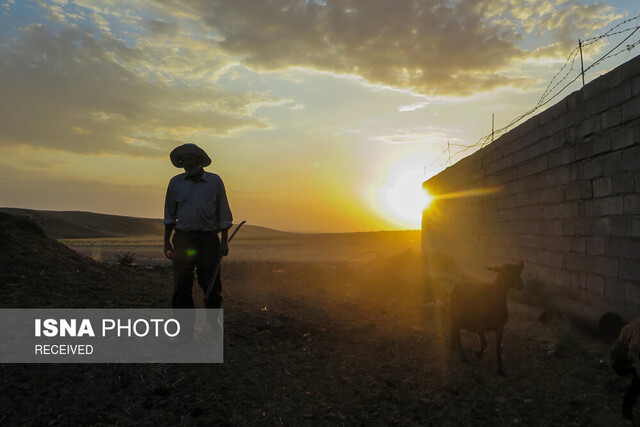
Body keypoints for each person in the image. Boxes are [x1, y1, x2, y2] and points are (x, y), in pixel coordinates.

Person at [163, 143, 233, 339]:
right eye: (183, 160)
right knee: (181, 286)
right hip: (183, 240)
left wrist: (224, 241)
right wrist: (166, 242)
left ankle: (213, 321)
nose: (185, 162)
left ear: (200, 161)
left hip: (208, 240)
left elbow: (223, 214)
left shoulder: (215, 182)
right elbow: (169, 214)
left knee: (211, 284)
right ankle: (183, 330)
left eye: (189, 158)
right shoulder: (175, 183)